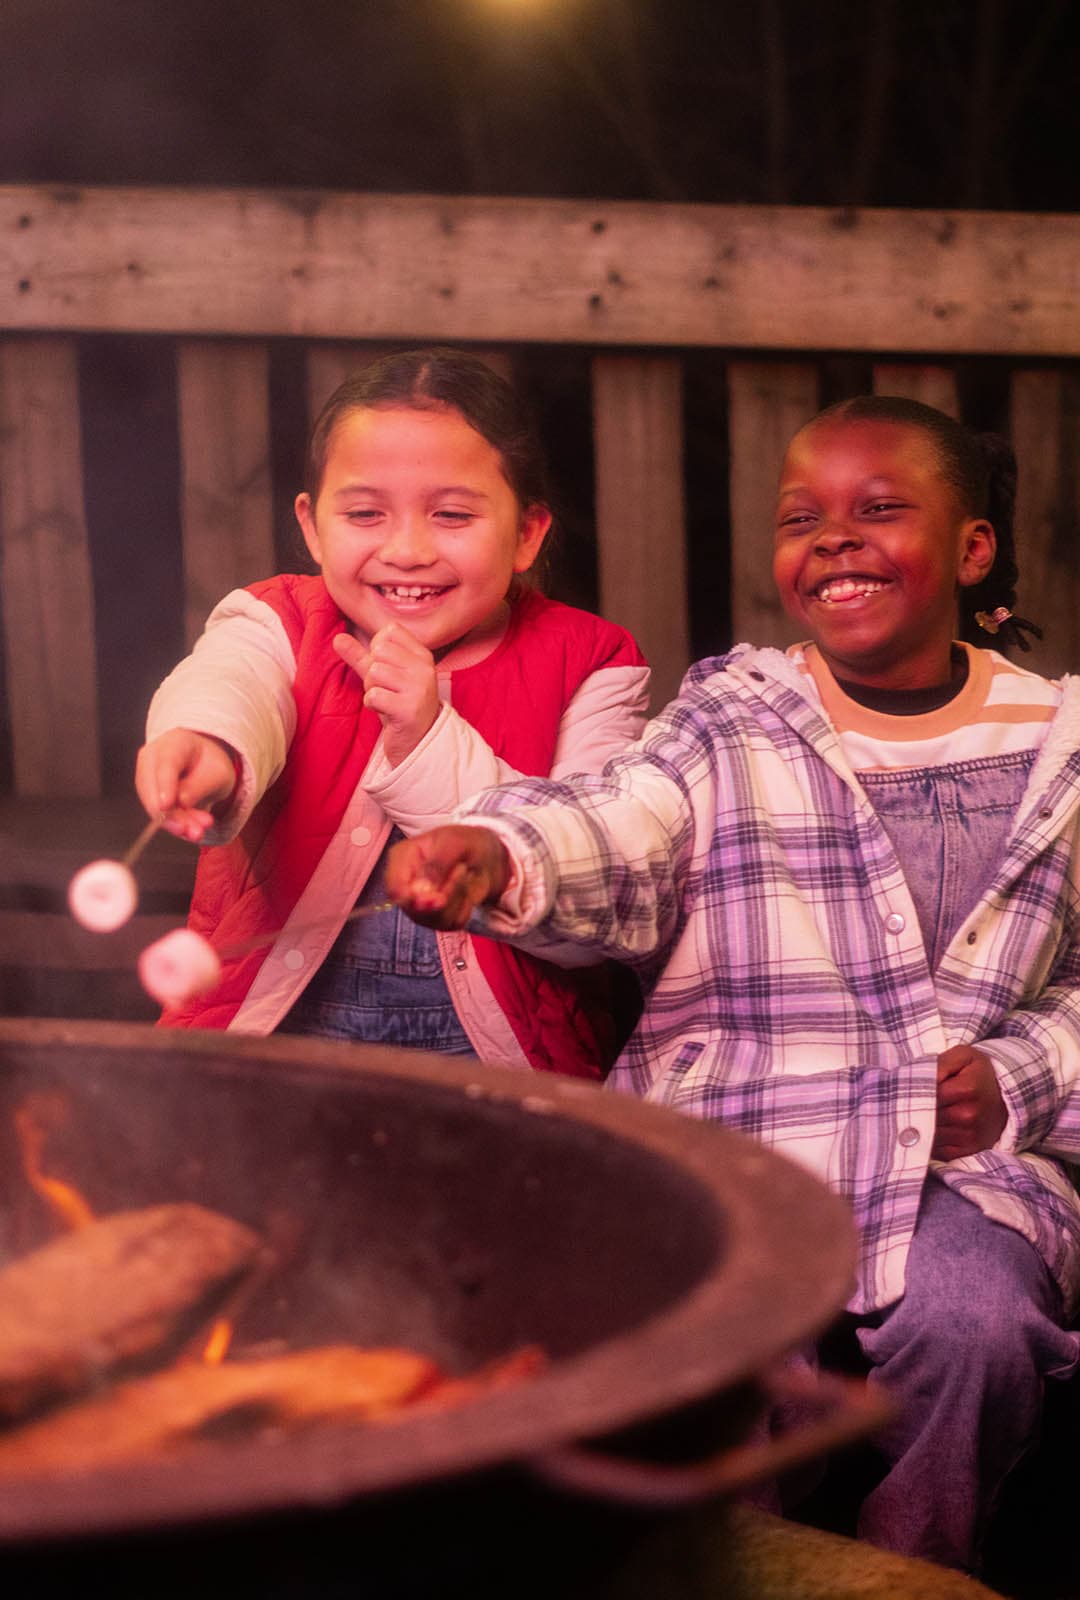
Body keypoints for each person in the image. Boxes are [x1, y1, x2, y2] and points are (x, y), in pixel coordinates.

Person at [384, 394, 1080, 1573]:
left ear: (972, 549)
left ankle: (915, 1567)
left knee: (978, 1324)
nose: (834, 537)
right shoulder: (737, 719)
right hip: (755, 1128)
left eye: (880, 510)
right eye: (802, 516)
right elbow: (619, 818)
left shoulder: (1059, 744)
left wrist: (1017, 1083)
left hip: (964, 1159)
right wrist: (502, 850)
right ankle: (738, 1563)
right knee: (719, 1348)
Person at [134, 346, 649, 1074]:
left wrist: (431, 736)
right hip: (278, 1045)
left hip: (498, 1063)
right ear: (314, 528)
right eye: (367, 513)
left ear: (527, 532)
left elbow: (597, 897)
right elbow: (232, 682)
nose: (406, 550)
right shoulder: (278, 621)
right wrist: (209, 745)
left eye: (452, 514)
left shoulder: (594, 663)